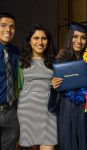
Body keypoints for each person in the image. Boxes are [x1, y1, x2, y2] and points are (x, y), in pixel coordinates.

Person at [48, 23, 87, 150]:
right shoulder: (60, 61)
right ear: (69, 38)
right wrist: (54, 85)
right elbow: (56, 93)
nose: (79, 41)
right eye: (75, 36)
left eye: (83, 37)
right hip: (68, 109)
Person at [17, 24, 57, 150]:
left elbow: (63, 85)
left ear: (48, 41)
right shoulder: (20, 62)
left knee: (48, 145)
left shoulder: (55, 62)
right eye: (36, 38)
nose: (40, 42)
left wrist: (56, 85)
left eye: (43, 38)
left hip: (48, 111)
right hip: (27, 111)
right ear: (29, 41)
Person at [0, 12, 19, 150]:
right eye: (3, 25)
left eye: (12, 27)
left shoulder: (15, 51)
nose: (8, 30)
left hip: (11, 112)